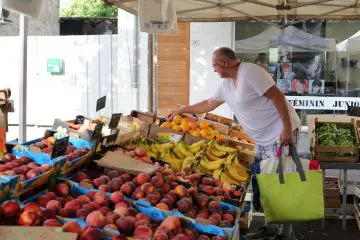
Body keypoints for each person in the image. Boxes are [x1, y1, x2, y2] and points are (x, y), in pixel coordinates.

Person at [166, 47, 301, 240]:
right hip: (262, 139)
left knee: (281, 183)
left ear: (225, 62)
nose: (213, 69)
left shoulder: (251, 72)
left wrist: (286, 128)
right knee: (266, 184)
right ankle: (270, 227)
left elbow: (278, 98)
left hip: (279, 133)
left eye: (214, 65)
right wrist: (182, 110)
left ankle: (286, 234)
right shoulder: (227, 85)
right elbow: (208, 104)